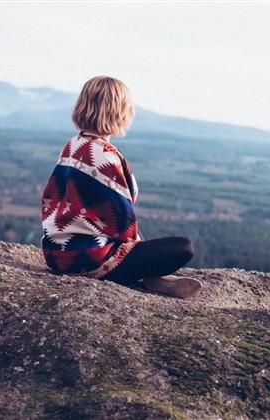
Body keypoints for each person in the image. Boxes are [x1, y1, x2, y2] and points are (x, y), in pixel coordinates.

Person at [40, 75, 201, 299]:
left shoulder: (71, 145)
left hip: (55, 253)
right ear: (118, 111)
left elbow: (52, 200)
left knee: (147, 249)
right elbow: (123, 224)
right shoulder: (106, 155)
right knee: (183, 248)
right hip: (90, 259)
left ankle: (151, 277)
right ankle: (150, 278)